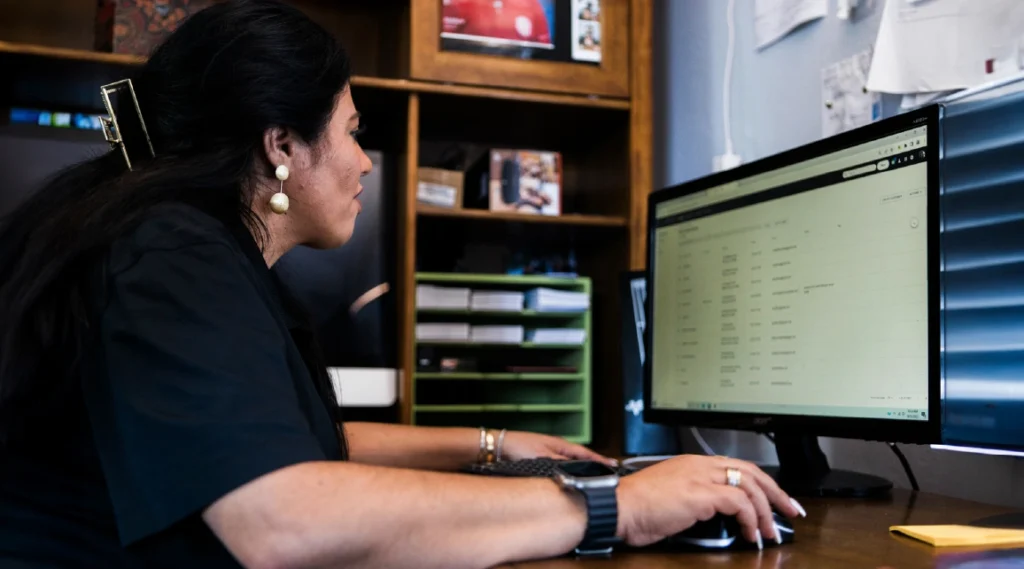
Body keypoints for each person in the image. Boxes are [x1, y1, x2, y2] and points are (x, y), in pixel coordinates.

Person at [0, 1, 802, 568]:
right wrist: (613, 508)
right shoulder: (170, 251)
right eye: (351, 132)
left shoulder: (185, 244)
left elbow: (281, 440)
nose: (362, 162)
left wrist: (489, 446)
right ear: (281, 144)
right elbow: (281, 518)